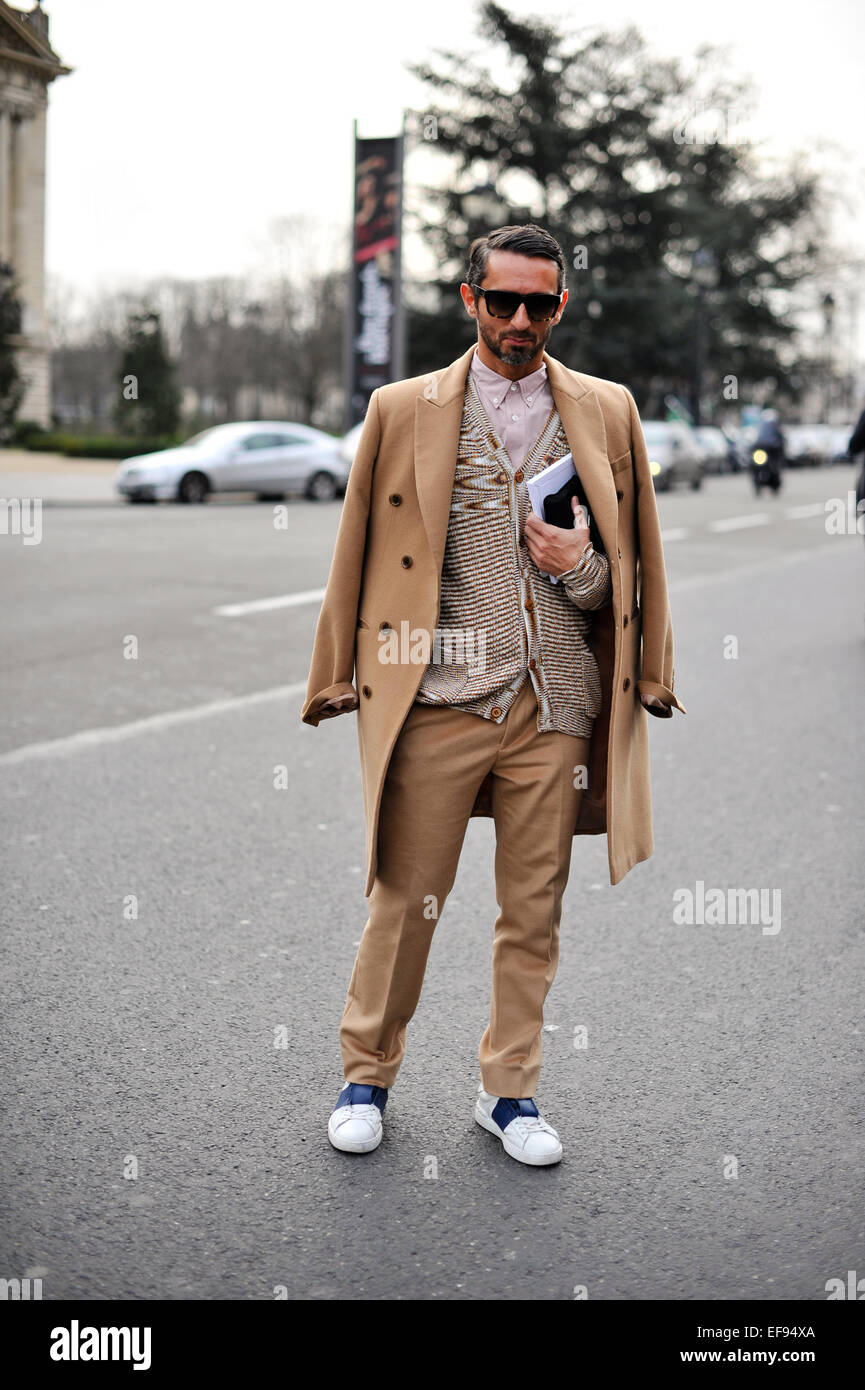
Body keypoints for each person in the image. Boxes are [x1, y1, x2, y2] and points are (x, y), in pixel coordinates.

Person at [301, 224, 686, 1166]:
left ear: (561, 306)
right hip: (437, 698)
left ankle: (509, 1094)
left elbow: (631, 575)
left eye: (540, 304)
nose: (521, 321)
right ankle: (365, 1076)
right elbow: (355, 544)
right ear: (469, 299)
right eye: (503, 301)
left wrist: (581, 565)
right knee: (405, 900)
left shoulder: (606, 410)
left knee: (533, 909)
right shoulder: (402, 408)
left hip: (555, 706)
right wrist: (333, 673)